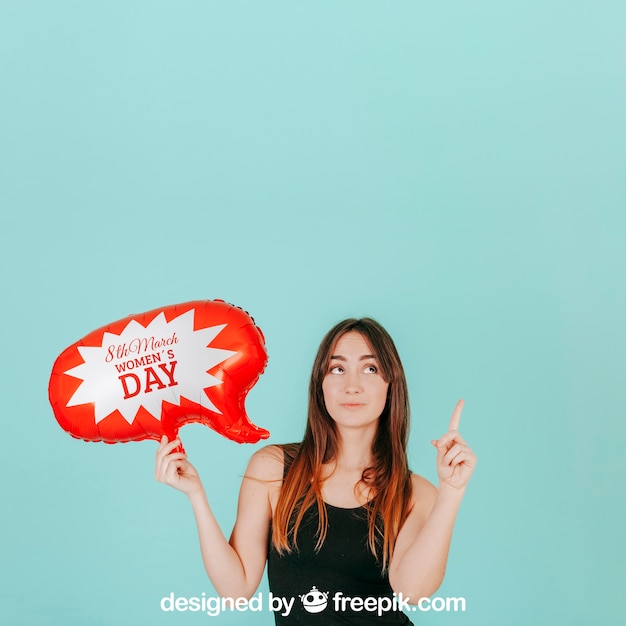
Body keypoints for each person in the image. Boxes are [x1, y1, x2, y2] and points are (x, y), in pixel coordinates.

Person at [155, 318, 476, 624]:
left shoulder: (414, 493)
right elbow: (235, 591)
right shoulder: (272, 470)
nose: (352, 385)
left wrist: (451, 491)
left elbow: (412, 591)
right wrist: (196, 495)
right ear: (319, 384)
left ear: (390, 385)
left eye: (370, 368)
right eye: (337, 368)